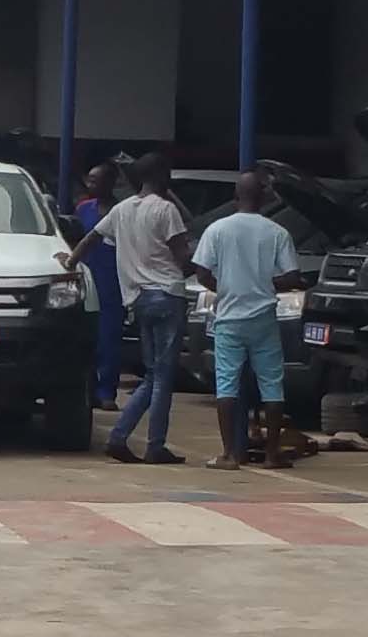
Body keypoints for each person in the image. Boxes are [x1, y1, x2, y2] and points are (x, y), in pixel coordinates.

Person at [190, 169, 300, 468]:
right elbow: (293, 276)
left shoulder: (217, 229)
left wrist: (226, 288)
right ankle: (272, 454)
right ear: (263, 197)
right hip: (264, 318)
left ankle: (229, 454)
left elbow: (201, 273)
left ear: (235, 196)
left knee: (227, 384)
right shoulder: (277, 232)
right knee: (272, 385)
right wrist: (264, 285)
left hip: (229, 317)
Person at [97, 163, 194, 466]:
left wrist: (70, 261)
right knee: (163, 377)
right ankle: (155, 445)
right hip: (167, 295)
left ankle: (118, 436)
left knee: (153, 375)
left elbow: (92, 238)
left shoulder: (122, 209)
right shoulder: (166, 210)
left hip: (138, 298)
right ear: (162, 177)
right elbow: (183, 257)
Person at [74, 163, 124, 407]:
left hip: (112, 281)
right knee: (87, 337)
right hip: (86, 278)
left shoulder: (121, 211)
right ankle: (89, 389)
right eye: (89, 179)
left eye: (96, 180)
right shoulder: (83, 209)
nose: (90, 184)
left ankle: (106, 391)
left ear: (110, 183)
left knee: (109, 338)